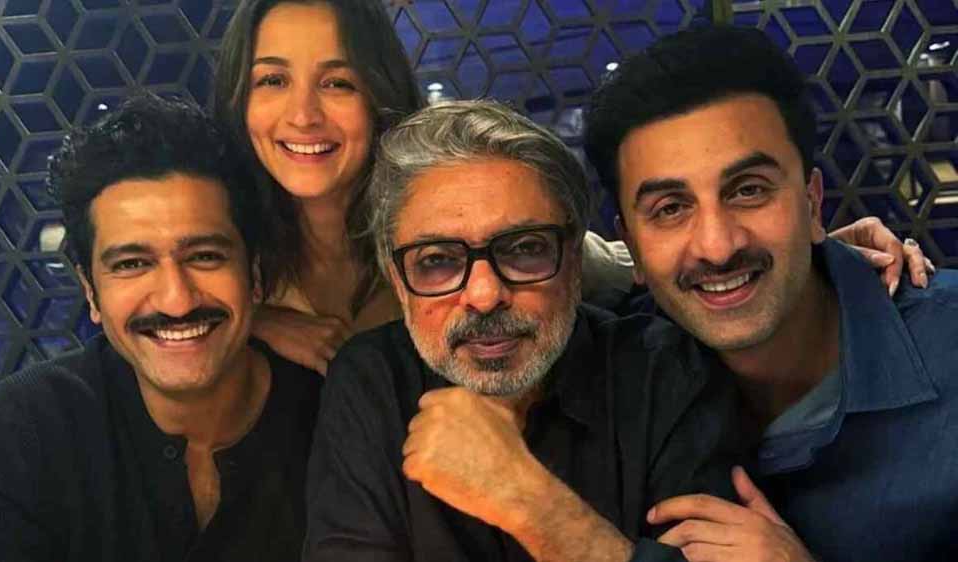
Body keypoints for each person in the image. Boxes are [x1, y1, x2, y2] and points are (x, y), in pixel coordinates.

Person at [212, 0, 922, 374]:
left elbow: (633, 264)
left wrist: (816, 255)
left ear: (379, 95)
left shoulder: (464, 224)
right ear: (240, 97)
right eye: (272, 80)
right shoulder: (226, 259)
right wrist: (253, 323)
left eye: (337, 82)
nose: (302, 114)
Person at [304, 99, 748, 562]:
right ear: (398, 281)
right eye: (437, 260)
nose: (484, 294)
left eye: (524, 249)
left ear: (573, 260)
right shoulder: (373, 380)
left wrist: (532, 503)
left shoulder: (666, 372)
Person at [585, 25, 958, 562]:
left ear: (812, 203)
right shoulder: (618, 377)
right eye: (670, 208)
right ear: (633, 247)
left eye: (749, 190)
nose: (717, 247)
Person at [0, 94, 323, 561]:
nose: (176, 300)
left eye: (205, 256)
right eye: (132, 264)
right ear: (90, 291)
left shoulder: (332, 419)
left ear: (253, 274)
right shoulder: (19, 439)